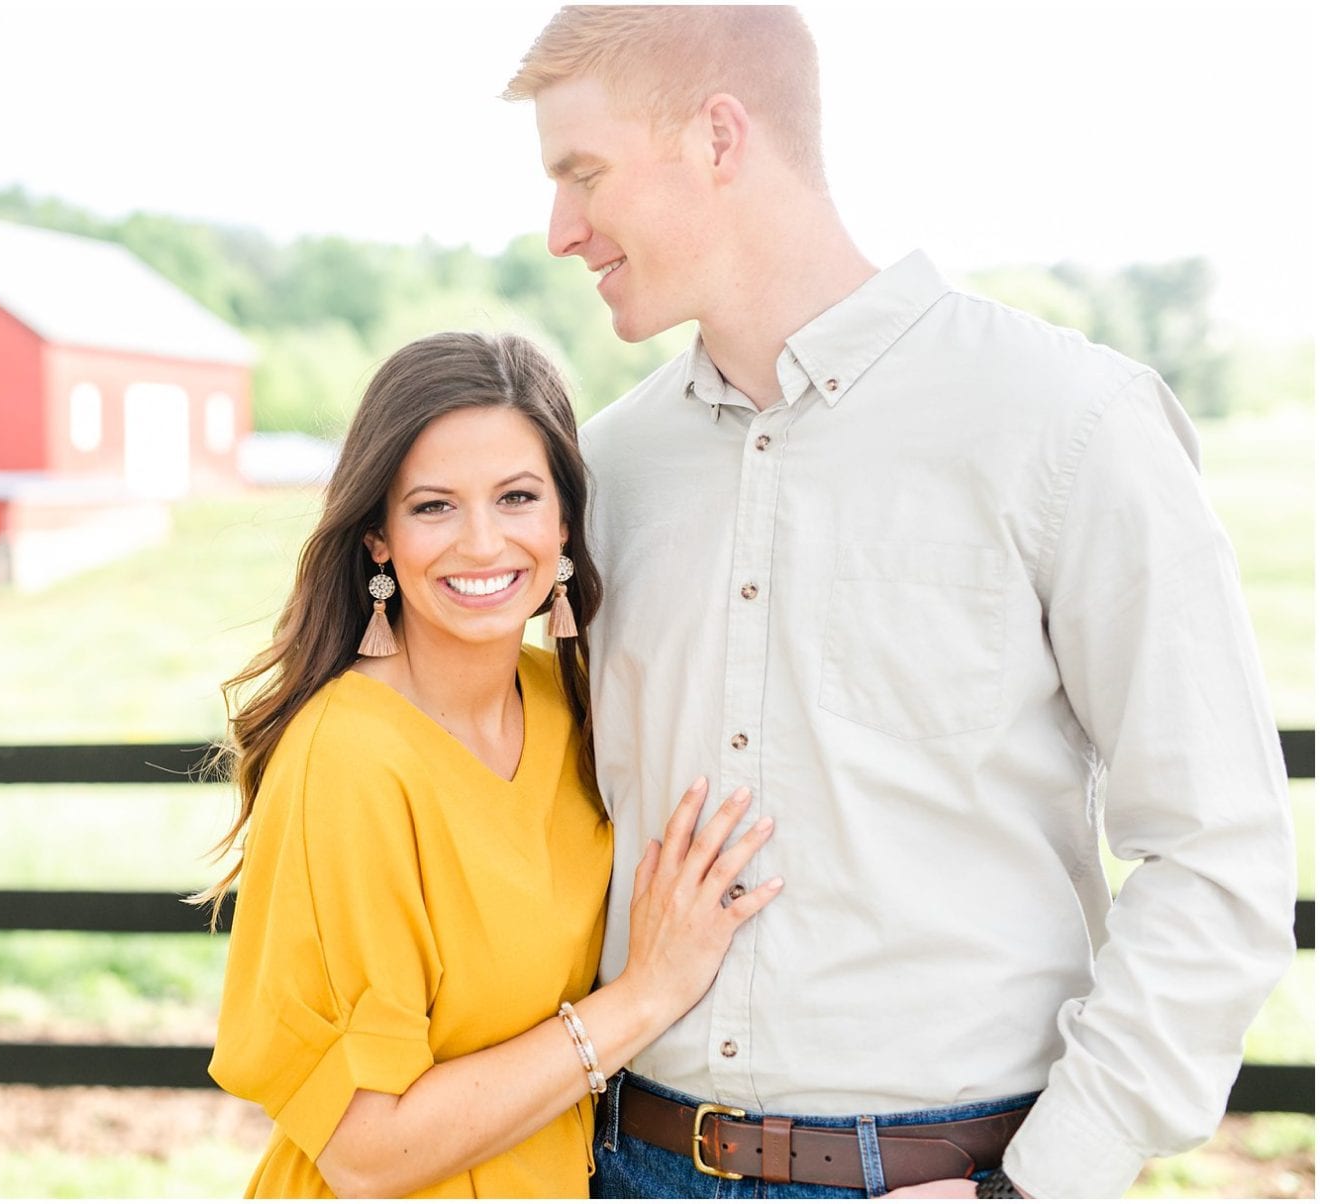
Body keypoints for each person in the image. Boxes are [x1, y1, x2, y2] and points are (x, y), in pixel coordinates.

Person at [502, 6, 1296, 1199]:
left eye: (584, 173)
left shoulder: (1067, 425)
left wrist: (1040, 1185)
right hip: (628, 1161)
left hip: (941, 1173)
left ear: (720, 137)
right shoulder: (600, 473)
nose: (560, 229)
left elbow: (1216, 849)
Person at [201, 331, 784, 1198]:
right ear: (377, 539)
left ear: (562, 522)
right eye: (434, 506)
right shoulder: (349, 759)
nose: (483, 543)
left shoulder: (572, 705)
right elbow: (364, 1150)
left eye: (516, 497)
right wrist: (646, 996)